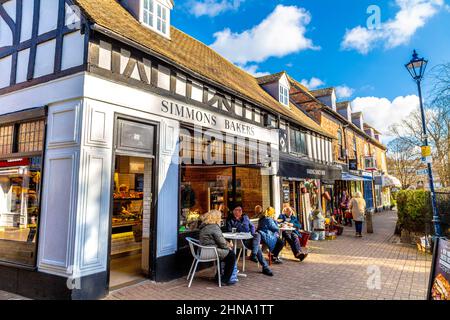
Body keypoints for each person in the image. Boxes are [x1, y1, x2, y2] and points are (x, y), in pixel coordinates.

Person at [226, 206, 273, 276]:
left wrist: (252, 233)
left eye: (240, 209)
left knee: (257, 235)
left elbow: (252, 226)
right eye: (237, 210)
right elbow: (229, 231)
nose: (240, 211)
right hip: (241, 241)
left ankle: (254, 255)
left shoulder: (245, 217)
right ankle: (263, 265)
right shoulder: (230, 220)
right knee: (257, 248)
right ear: (233, 211)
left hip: (250, 238)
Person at [199, 210, 237, 285]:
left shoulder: (204, 226)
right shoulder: (214, 227)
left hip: (203, 251)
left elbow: (218, 241)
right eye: (219, 217)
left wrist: (226, 245)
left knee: (223, 254)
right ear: (215, 218)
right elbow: (222, 243)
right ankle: (225, 280)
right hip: (211, 252)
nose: (221, 219)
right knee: (231, 255)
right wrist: (228, 246)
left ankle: (218, 276)